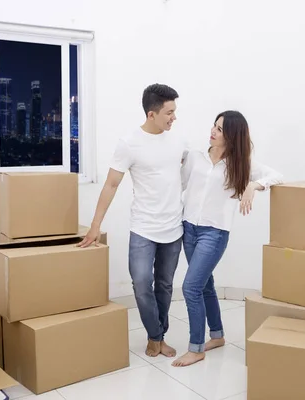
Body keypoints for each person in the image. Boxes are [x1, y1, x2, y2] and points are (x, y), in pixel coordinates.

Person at [78, 83, 188, 358]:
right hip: (143, 227)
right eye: (169, 112)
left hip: (173, 227)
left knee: (164, 285)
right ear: (152, 114)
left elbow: (191, 172)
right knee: (141, 283)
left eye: (175, 111)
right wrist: (95, 226)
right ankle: (155, 335)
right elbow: (111, 185)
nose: (174, 117)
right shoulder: (129, 143)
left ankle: (157, 337)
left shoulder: (178, 140)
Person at [172, 110, 283, 367]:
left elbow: (277, 176)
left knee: (191, 287)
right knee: (205, 285)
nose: (213, 130)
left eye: (220, 129)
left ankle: (196, 348)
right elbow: (179, 184)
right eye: (214, 125)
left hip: (215, 233)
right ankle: (218, 335)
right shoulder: (196, 157)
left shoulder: (241, 164)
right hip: (188, 228)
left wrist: (253, 186)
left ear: (232, 135)